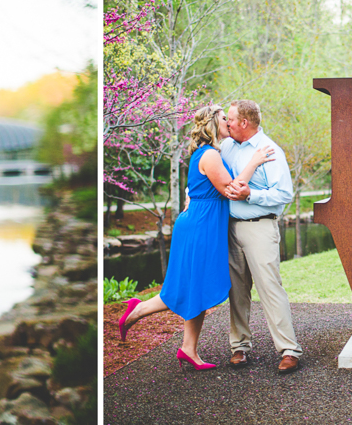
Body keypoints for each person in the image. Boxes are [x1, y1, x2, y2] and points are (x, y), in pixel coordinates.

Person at [117, 105, 273, 371]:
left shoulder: (211, 152)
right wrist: (254, 162)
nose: (229, 122)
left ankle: (188, 349)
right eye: (225, 118)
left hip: (205, 224)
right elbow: (231, 190)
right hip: (200, 227)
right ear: (214, 123)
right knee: (187, 286)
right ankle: (137, 311)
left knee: (195, 287)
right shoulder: (210, 154)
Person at [221, 99, 302, 374]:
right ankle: (239, 347)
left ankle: (289, 349)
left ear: (244, 122)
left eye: (230, 119)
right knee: (237, 290)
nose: (227, 123)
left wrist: (251, 194)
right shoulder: (226, 146)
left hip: (260, 227)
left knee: (270, 288)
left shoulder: (269, 150)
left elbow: (284, 194)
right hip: (229, 228)